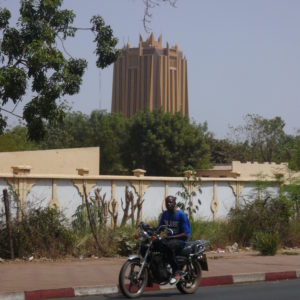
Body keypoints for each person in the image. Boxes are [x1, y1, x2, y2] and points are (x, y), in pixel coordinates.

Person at [158, 195, 191, 284]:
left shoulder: (181, 215)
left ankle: (177, 271)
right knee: (156, 244)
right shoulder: (165, 214)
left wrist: (171, 237)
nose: (168, 204)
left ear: (175, 203)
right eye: (167, 202)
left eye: (170, 202)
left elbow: (186, 233)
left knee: (168, 246)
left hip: (181, 241)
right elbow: (160, 228)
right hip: (170, 239)